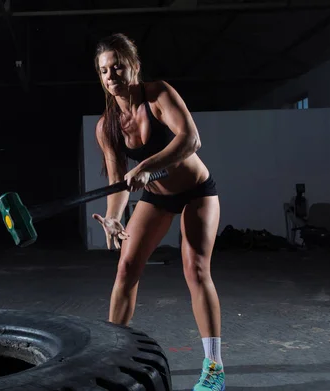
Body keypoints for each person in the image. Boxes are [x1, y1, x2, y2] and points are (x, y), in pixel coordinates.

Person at [91, 33, 225, 391]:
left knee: (195, 269)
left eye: (117, 65)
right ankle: (115, 356)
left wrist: (149, 165)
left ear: (133, 66)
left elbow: (191, 139)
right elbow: (120, 182)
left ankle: (214, 368)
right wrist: (115, 216)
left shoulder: (157, 95)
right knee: (126, 267)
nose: (111, 75)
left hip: (197, 191)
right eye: (104, 70)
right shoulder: (107, 127)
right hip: (156, 197)